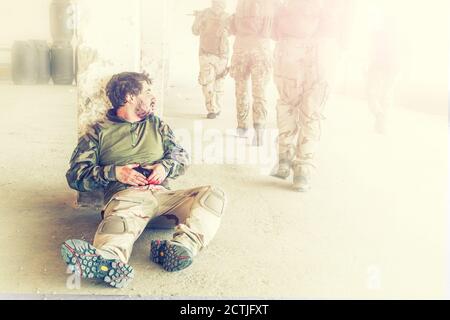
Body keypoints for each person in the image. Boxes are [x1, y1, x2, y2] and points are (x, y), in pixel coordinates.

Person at [61, 72, 226, 288]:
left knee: (214, 195)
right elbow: (75, 176)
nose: (153, 96)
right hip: (127, 201)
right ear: (130, 96)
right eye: (147, 91)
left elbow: (181, 156)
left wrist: (165, 167)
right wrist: (114, 173)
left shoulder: (157, 125)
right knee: (117, 225)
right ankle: (108, 261)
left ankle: (182, 247)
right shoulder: (97, 132)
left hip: (165, 200)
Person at [271, 0, 353, 191]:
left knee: (287, 102)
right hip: (326, 44)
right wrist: (342, 42)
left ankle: (284, 158)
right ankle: (303, 171)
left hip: (291, 40)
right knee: (313, 108)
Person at [229, 0, 279, 146]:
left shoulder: (241, 3)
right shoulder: (269, 4)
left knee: (241, 90)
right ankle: (259, 132)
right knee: (260, 92)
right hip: (261, 50)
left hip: (240, 50)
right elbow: (274, 31)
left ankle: (242, 127)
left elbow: (232, 29)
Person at [192, 0, 231, 120]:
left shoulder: (228, 17)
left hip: (222, 55)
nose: (220, 5)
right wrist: (198, 19)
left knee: (219, 84)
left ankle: (217, 107)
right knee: (207, 82)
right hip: (206, 54)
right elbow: (195, 31)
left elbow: (234, 31)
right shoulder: (204, 14)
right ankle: (212, 109)